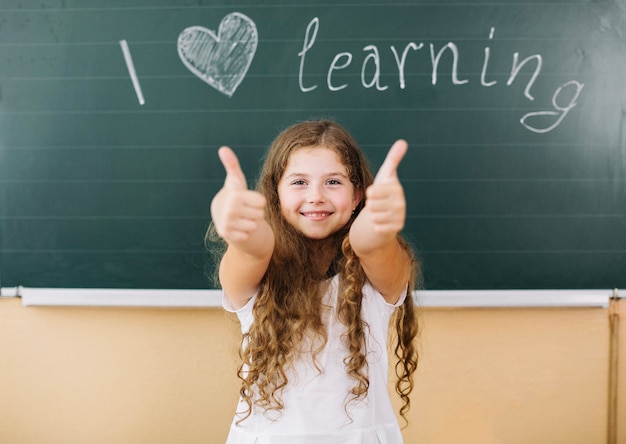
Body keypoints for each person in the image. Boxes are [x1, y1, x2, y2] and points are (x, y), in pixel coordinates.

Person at [208, 119, 420, 443]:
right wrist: (242, 233)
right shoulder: (260, 266)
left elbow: (370, 245)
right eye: (299, 182)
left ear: (357, 196)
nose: (316, 196)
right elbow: (254, 251)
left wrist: (378, 229)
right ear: (275, 194)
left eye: (333, 182)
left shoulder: (375, 273)